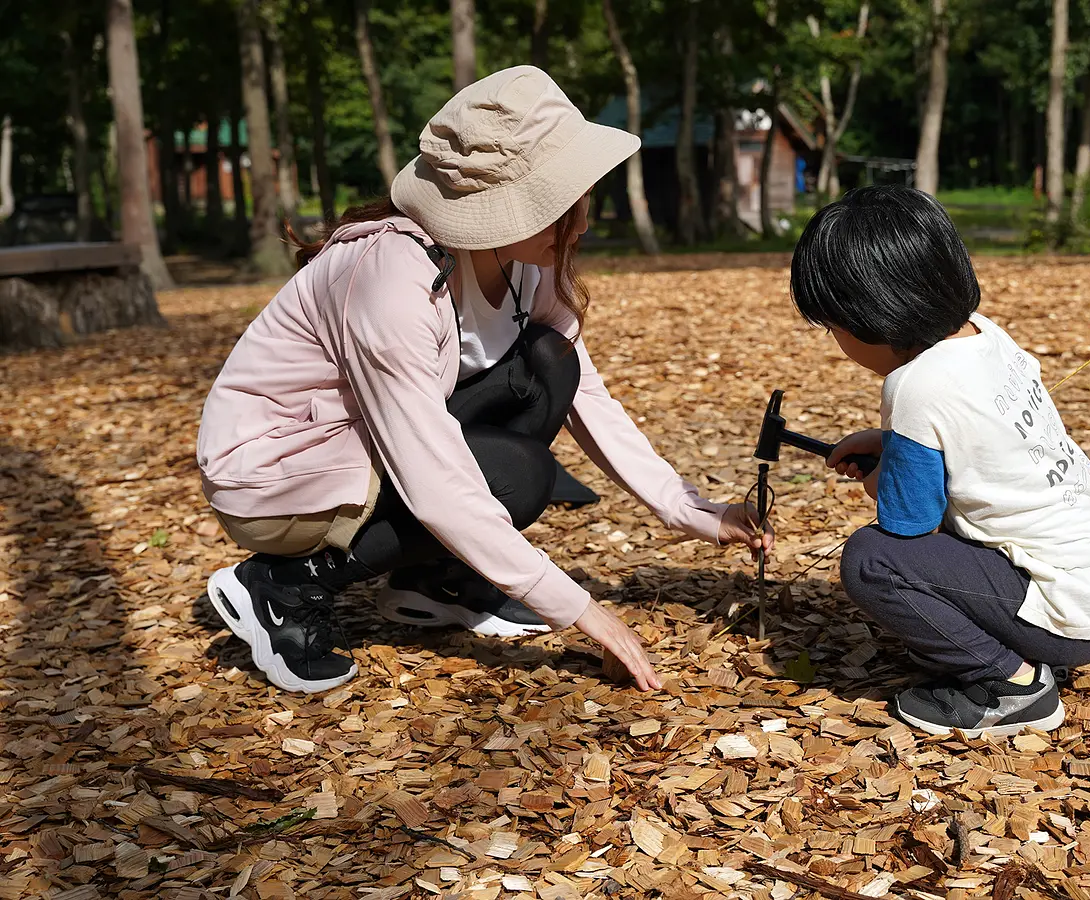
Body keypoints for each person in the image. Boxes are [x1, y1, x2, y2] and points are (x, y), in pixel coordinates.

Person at [196, 66, 771, 694]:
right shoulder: (389, 278)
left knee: (551, 363)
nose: (581, 220)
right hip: (278, 475)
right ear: (498, 209)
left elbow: (585, 397)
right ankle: (288, 583)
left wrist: (693, 511)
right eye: (561, 203)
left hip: (374, 445)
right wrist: (582, 612)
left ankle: (435, 579)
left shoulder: (528, 261)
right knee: (519, 477)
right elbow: (437, 480)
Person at [790, 186, 1090, 739]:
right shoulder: (983, 332)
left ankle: (1014, 685)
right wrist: (892, 444)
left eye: (832, 326)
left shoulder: (914, 385)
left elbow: (909, 523)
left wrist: (884, 474)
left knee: (871, 560)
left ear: (868, 316)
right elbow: (978, 443)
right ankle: (999, 648)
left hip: (1064, 616)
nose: (836, 340)